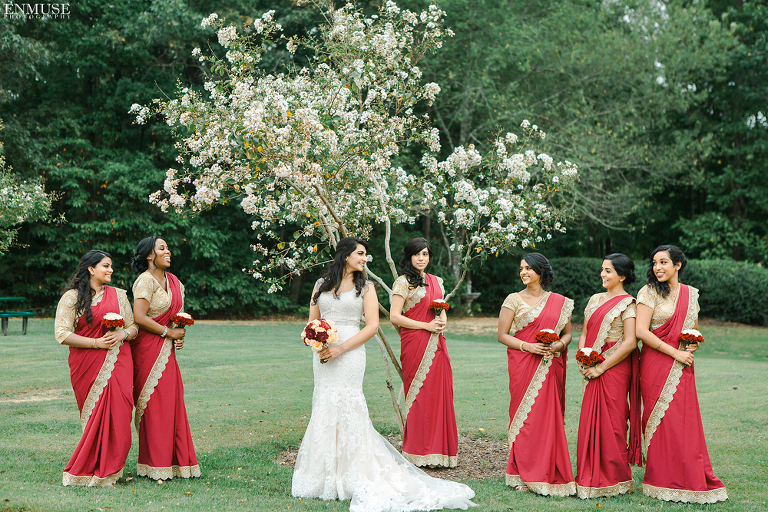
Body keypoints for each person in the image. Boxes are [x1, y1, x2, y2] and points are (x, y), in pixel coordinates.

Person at [291, 237, 476, 512]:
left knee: (349, 403)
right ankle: (323, 475)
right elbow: (311, 321)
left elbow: (373, 326)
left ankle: (354, 473)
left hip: (350, 353)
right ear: (345, 254)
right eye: (361, 253)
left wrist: (341, 348)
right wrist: (317, 342)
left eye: (366, 254)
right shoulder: (320, 286)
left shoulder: (366, 287)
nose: (365, 259)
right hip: (323, 354)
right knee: (324, 403)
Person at [635, 245, 727, 503]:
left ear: (678, 265)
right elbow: (641, 331)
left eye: (663, 262)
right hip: (656, 362)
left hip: (683, 363)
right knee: (659, 419)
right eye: (654, 263)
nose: (657, 268)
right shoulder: (649, 292)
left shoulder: (690, 293)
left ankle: (686, 472)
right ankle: (660, 478)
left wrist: (693, 343)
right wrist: (674, 353)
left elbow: (693, 330)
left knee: (683, 420)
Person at [55, 249, 137, 486]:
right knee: (94, 416)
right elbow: (61, 333)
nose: (110, 270)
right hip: (86, 363)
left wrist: (123, 333)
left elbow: (134, 327)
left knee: (121, 413)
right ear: (91, 269)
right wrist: (95, 343)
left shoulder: (120, 295)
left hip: (120, 361)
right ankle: (90, 465)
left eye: (111, 266)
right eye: (106, 266)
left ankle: (111, 469)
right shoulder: (72, 297)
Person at [497, 252, 575, 496]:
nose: (523, 272)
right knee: (525, 418)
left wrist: (557, 346)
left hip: (549, 367)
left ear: (541, 272)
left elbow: (568, 334)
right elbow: (502, 335)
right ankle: (521, 472)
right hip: (523, 365)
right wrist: (528, 346)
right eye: (521, 268)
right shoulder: (513, 300)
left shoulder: (560, 302)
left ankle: (548, 470)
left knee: (547, 418)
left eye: (528, 268)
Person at [130, 236, 200, 480]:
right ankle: (153, 463)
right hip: (146, 350)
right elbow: (139, 316)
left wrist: (178, 335)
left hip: (167, 351)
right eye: (162, 248)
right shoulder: (144, 281)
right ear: (150, 255)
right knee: (154, 405)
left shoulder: (175, 282)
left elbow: (174, 316)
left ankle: (176, 462)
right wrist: (167, 332)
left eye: (168, 248)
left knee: (171, 402)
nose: (168, 252)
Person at [575, 253, 642, 498]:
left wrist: (601, 367)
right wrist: (584, 358)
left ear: (621, 275)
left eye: (608, 271)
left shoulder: (629, 304)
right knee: (589, 420)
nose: (603, 274)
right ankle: (588, 474)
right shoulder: (594, 299)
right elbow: (583, 332)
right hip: (591, 364)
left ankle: (615, 478)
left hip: (614, 367)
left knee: (613, 421)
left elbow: (630, 342)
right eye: (602, 270)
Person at [389, 237, 458, 468]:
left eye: (425, 254)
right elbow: (395, 317)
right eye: (417, 254)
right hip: (415, 342)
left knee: (439, 395)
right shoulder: (402, 283)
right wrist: (426, 326)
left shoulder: (437, 281)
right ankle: (417, 452)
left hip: (438, 342)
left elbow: (440, 307)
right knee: (419, 396)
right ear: (409, 256)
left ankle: (439, 452)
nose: (421, 258)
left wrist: (441, 322)